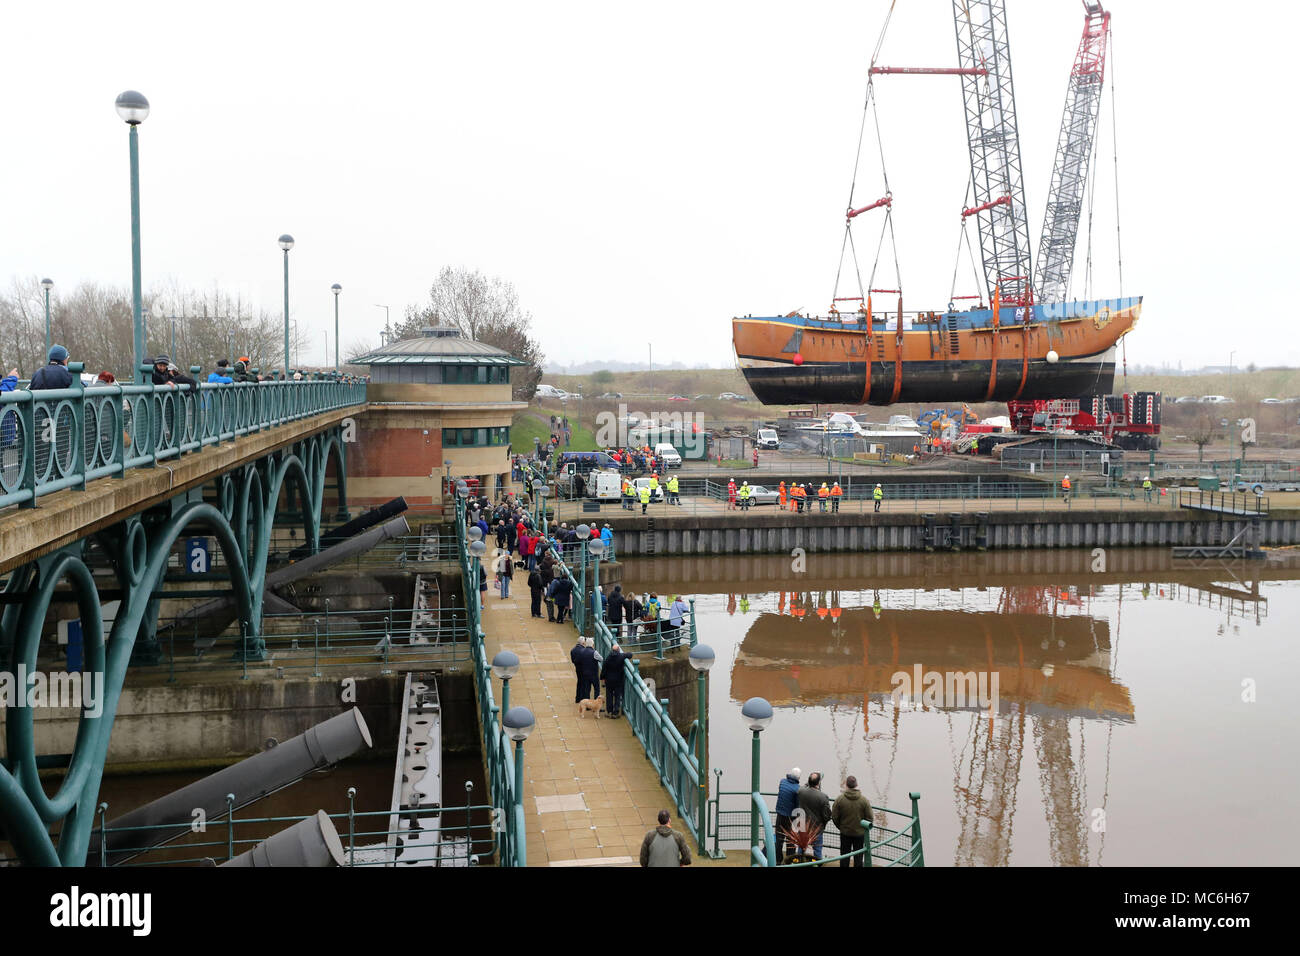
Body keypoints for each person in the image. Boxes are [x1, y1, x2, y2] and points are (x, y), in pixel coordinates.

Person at [831, 775, 874, 867]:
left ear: (846, 785)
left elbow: (834, 816)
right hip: (859, 834)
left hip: (845, 833)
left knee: (844, 856)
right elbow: (870, 818)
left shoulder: (840, 799)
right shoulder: (864, 800)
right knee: (858, 858)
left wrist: (841, 826)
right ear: (856, 785)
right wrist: (862, 829)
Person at [797, 771, 833, 861]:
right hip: (816, 828)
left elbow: (805, 787)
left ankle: (799, 861)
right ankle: (817, 863)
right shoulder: (823, 797)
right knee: (817, 850)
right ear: (819, 783)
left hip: (802, 826)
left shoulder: (801, 791)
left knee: (801, 847)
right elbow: (827, 815)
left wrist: (810, 782)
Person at [774, 767, 802, 864]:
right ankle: (789, 861)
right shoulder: (797, 789)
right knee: (791, 841)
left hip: (780, 815)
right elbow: (798, 806)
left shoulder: (782, 782)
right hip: (791, 818)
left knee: (779, 839)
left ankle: (778, 861)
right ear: (798, 778)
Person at [601, 641, 627, 717]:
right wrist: (624, 654)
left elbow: (604, 669)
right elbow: (630, 655)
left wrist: (602, 678)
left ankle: (609, 711)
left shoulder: (608, 658)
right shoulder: (621, 657)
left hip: (609, 680)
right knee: (617, 696)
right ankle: (615, 712)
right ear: (618, 650)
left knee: (609, 696)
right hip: (618, 680)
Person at [570, 637, 588, 703]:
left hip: (577, 669)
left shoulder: (573, 650)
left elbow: (573, 661)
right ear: (583, 643)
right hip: (584, 669)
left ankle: (577, 698)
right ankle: (582, 698)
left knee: (579, 682)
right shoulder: (583, 650)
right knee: (584, 684)